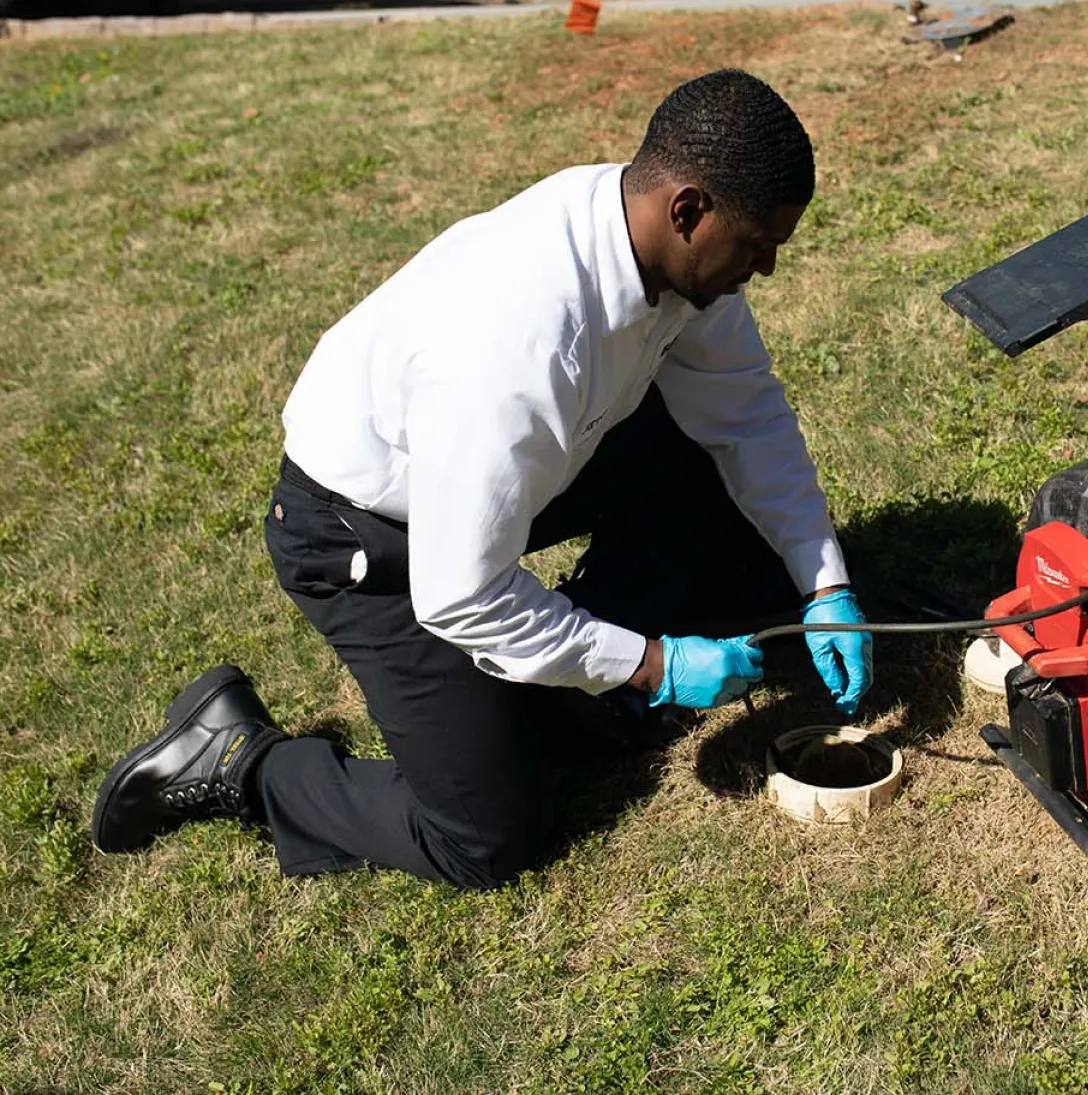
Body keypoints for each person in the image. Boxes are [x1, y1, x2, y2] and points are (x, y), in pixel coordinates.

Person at [91, 69, 874, 890]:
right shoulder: (519, 344)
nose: (771, 266)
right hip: (365, 536)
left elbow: (745, 417)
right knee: (486, 834)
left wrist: (825, 585)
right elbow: (457, 593)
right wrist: (650, 665)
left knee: (707, 462)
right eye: (758, 245)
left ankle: (588, 676)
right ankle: (241, 760)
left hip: (510, 463)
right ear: (688, 210)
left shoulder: (663, 249)